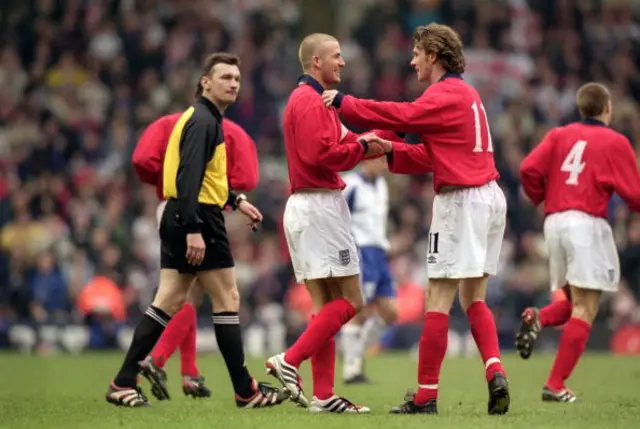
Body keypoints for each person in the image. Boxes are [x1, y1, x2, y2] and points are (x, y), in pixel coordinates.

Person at [322, 23, 510, 415]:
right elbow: (429, 156)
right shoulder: (468, 95)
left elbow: (402, 114)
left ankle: (425, 396)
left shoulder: (442, 94)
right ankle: (495, 369)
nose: (411, 61)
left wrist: (345, 104)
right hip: (491, 197)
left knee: (438, 298)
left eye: (417, 53)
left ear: (435, 55)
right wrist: (390, 148)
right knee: (473, 297)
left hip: (461, 199)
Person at [106, 52, 289, 408]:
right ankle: (246, 390)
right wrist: (193, 228)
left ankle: (123, 381)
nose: (233, 83)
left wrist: (235, 201)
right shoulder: (206, 122)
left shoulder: (200, 118)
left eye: (236, 78)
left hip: (182, 213)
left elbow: (203, 177)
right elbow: (188, 177)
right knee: (227, 299)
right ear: (205, 81)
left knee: (170, 299)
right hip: (197, 218)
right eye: (225, 77)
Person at [264, 33, 391, 414]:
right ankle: (290, 358)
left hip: (307, 205)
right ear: (316, 61)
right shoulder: (309, 101)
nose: (343, 62)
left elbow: (344, 141)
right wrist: (362, 149)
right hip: (320, 205)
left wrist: (376, 138)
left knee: (324, 307)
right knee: (352, 300)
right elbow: (324, 155)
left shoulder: (312, 101)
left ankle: (323, 395)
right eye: (336, 56)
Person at [518, 82, 640, 402]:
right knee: (587, 307)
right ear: (606, 109)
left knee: (574, 304)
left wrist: (542, 199)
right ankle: (555, 385)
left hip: (555, 222)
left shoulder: (558, 135)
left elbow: (528, 168)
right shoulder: (615, 141)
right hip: (587, 223)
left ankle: (538, 317)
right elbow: (635, 195)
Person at [132, 113, 259, 400]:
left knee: (187, 294)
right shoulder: (230, 131)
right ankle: (157, 360)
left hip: (168, 206)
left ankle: (188, 373)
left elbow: (141, 159)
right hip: (198, 210)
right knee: (190, 295)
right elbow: (248, 177)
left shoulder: (169, 123)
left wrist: (165, 179)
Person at [340, 156, 397, 384]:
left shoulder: (382, 185)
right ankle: (351, 369)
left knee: (391, 312)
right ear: (366, 161)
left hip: (380, 253)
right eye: (379, 161)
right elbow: (337, 216)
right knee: (358, 308)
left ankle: (353, 353)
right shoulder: (350, 184)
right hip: (361, 251)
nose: (384, 166)